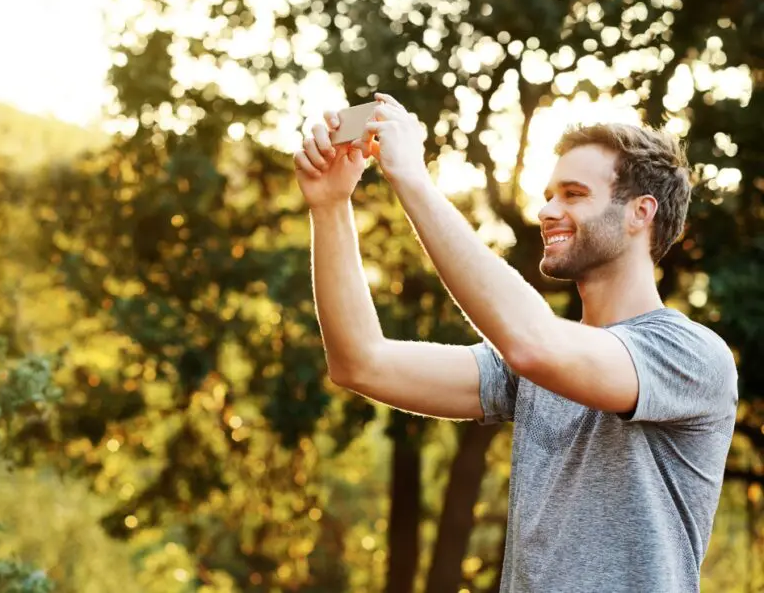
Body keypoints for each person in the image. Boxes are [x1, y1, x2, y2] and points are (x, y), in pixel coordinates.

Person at [294, 92, 738, 592]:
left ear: (640, 213)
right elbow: (360, 363)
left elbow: (535, 344)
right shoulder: (531, 367)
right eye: (549, 194)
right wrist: (330, 205)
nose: (547, 210)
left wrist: (413, 179)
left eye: (573, 194)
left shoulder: (691, 356)